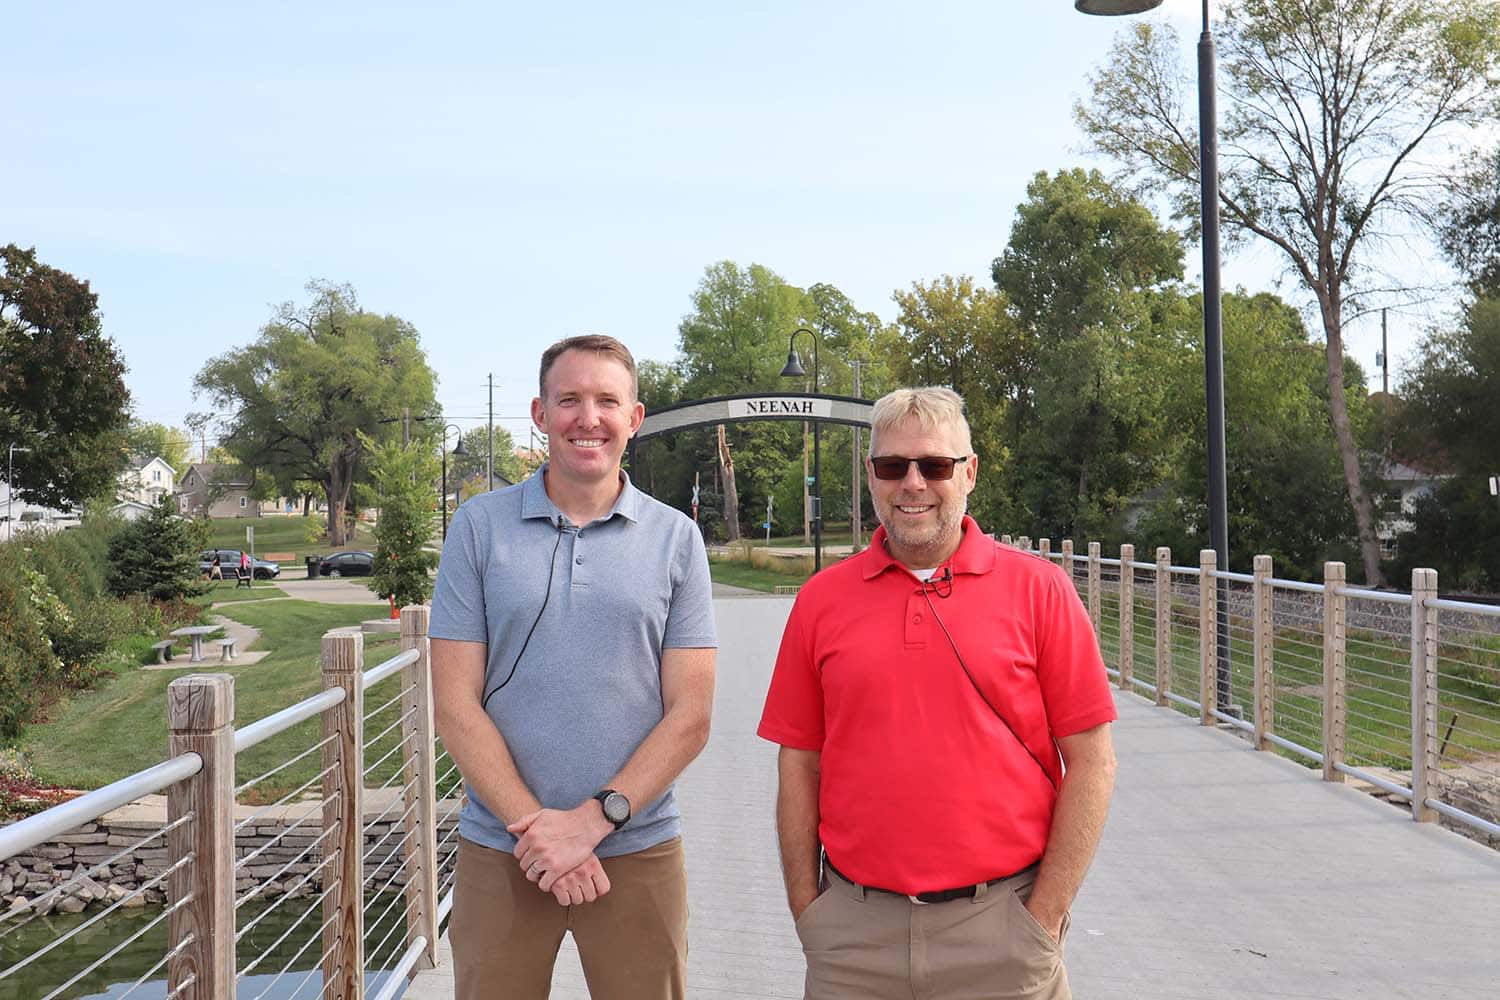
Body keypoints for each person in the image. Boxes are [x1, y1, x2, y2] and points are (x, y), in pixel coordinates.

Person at [758, 386, 1118, 1000]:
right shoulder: (821, 600)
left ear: (969, 472)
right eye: (893, 466)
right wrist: (808, 910)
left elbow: (1093, 762)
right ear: (872, 476)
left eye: (935, 465)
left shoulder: (1041, 590)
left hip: (1001, 932)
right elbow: (799, 763)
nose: (913, 483)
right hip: (853, 939)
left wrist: (1046, 915)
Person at [429, 334, 718, 1000]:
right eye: (570, 400)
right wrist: (540, 833)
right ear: (539, 413)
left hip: (636, 848)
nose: (588, 418)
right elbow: (454, 703)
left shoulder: (677, 539)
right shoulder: (478, 527)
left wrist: (590, 824)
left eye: (606, 401)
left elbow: (692, 715)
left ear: (634, 418)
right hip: (502, 850)